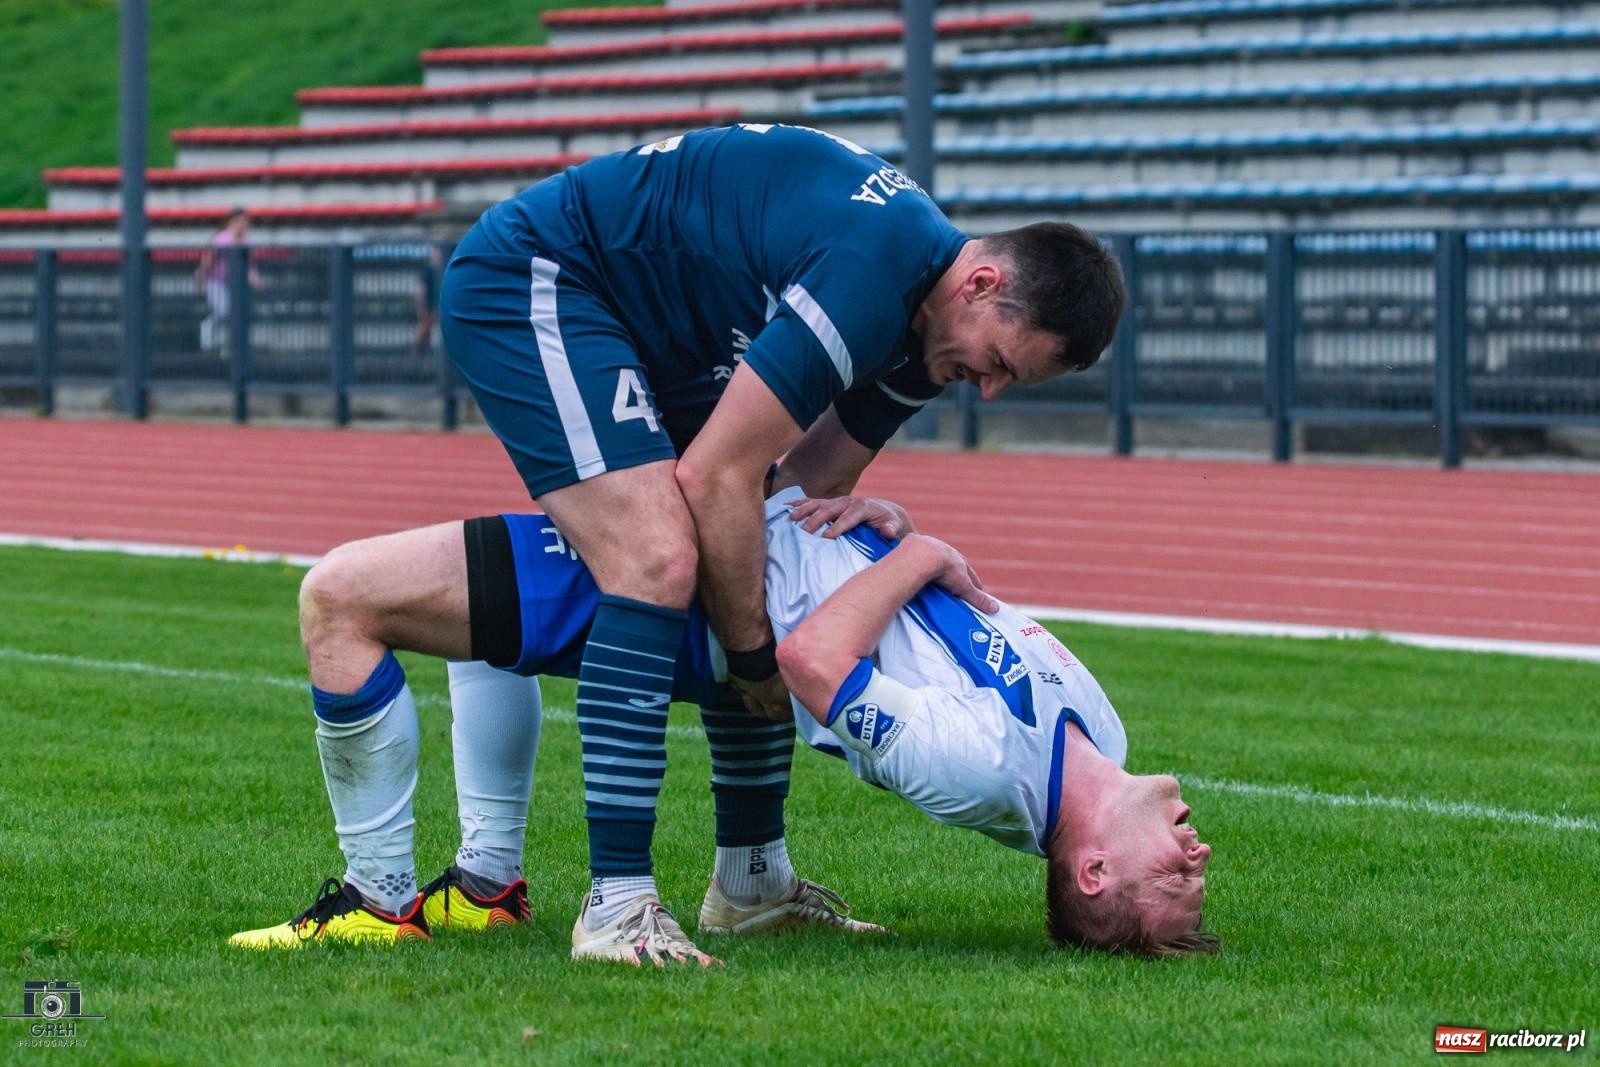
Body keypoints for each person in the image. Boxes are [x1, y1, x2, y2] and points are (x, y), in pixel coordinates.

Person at [427, 121, 1127, 961]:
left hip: (659, 330)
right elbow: (717, 478)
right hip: (543, 276)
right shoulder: (874, 277)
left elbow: (798, 493)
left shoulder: (924, 322)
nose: (988, 388)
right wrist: (755, 656)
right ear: (981, 283)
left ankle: (752, 883)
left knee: (750, 552)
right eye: (1000, 364)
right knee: (659, 555)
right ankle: (615, 902)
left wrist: (877, 527)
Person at [231, 491, 1215, 959]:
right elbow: (937, 618)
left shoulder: (980, 774)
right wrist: (892, 533)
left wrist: (918, 555)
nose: (1195, 847)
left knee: (342, 595)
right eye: (1192, 868)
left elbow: (811, 660)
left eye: (1175, 874)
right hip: (758, 522)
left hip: (713, 576)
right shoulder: (1099, 726)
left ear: (1091, 871)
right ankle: (491, 884)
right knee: (469, 615)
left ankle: (379, 902)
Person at [194, 207, 261, 355]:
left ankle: (229, 347)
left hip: (235, 284)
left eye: (246, 222)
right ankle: (213, 340)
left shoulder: (247, 241)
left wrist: (254, 279)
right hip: (216, 281)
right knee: (225, 311)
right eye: (241, 221)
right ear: (232, 222)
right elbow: (208, 258)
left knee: (233, 314)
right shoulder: (222, 238)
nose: (244, 225)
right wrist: (201, 278)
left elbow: (249, 265)